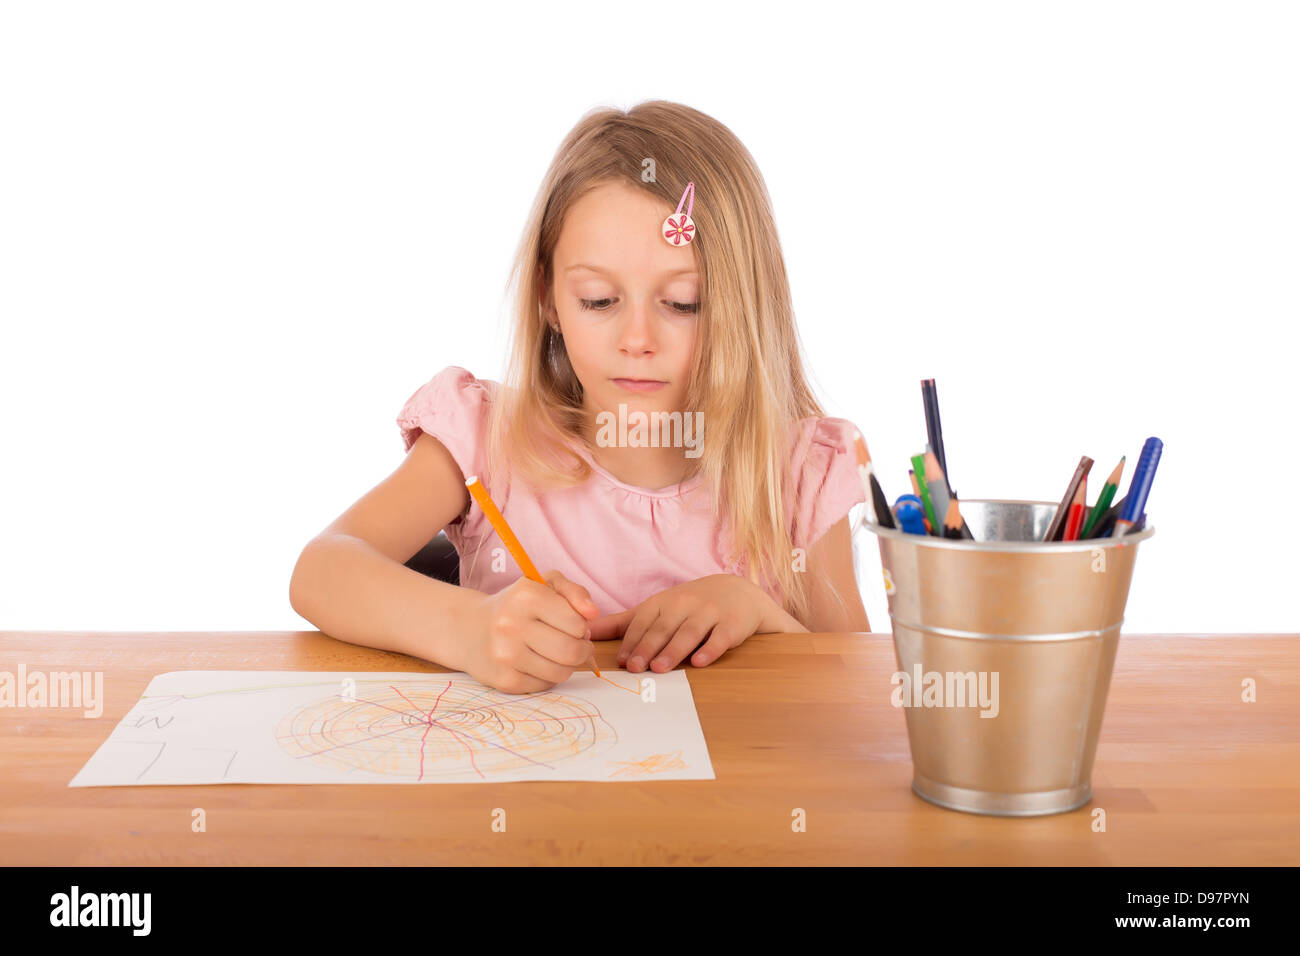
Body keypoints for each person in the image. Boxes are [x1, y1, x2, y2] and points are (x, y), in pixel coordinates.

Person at [289, 100, 870, 694]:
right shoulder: (484, 438)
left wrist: (762, 616)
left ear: (744, 306)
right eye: (598, 300)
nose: (636, 341)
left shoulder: (802, 473)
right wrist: (469, 629)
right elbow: (321, 570)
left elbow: (858, 699)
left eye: (684, 303)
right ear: (549, 299)